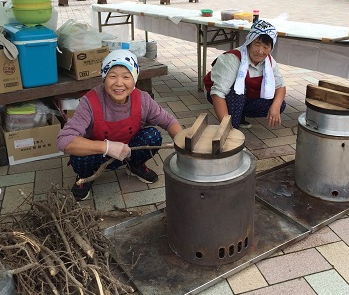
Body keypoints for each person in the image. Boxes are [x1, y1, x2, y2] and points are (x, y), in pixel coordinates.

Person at [57, 50, 182, 201]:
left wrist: (184, 143)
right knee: (79, 157)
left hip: (128, 151)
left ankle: (134, 166)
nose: (119, 83)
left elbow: (169, 121)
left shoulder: (142, 99)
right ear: (104, 78)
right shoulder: (90, 102)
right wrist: (107, 147)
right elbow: (64, 140)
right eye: (113, 76)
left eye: (126, 76)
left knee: (153, 136)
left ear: (134, 79)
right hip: (98, 155)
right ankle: (85, 177)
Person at [203, 20, 286, 129]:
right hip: (217, 93)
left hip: (245, 97)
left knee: (280, 104)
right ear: (249, 42)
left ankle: (238, 115)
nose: (260, 51)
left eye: (266, 47)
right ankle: (233, 127)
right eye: (257, 44)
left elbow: (280, 87)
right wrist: (227, 128)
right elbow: (217, 94)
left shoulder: (269, 61)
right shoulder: (232, 59)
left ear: (271, 48)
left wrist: (275, 107)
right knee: (237, 93)